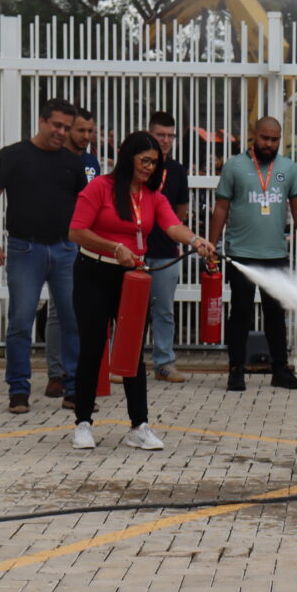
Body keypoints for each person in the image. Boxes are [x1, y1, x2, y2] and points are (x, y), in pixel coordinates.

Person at [67, 131, 214, 450]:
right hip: (94, 272)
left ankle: (139, 425)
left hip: (132, 277)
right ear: (127, 158)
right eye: (144, 160)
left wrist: (194, 240)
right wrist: (114, 247)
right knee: (92, 348)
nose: (149, 167)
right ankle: (83, 423)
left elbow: (172, 225)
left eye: (154, 162)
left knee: (132, 350)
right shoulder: (100, 187)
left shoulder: (152, 196)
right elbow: (76, 231)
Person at [0, 98, 86, 414]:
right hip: (24, 249)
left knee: (73, 320)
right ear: (41, 121)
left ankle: (75, 389)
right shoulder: (13, 156)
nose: (61, 132)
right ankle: (18, 390)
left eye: (67, 128)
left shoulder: (73, 163)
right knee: (20, 321)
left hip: (66, 250)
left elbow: (85, 207)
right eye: (56, 125)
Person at [209, 116, 297, 392]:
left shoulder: (288, 168)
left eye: (274, 139)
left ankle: (280, 370)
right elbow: (221, 208)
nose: (269, 144)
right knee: (240, 313)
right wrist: (211, 245)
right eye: (265, 138)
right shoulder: (234, 166)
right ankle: (236, 370)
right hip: (240, 253)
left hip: (275, 255)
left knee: (275, 314)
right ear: (254, 135)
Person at [44, 106, 101, 400]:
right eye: (81, 130)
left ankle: (81, 373)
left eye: (90, 131)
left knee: (82, 310)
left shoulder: (92, 163)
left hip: (89, 243)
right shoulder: (55, 159)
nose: (86, 136)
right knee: (59, 310)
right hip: (63, 241)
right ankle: (56, 374)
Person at [144, 111, 191, 383]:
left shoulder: (177, 170)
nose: (165, 140)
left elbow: (181, 210)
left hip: (166, 251)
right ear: (149, 134)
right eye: (160, 135)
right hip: (136, 249)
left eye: (170, 136)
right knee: (131, 310)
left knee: (164, 310)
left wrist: (173, 232)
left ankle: (163, 363)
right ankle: (126, 362)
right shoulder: (138, 166)